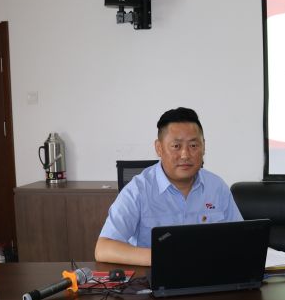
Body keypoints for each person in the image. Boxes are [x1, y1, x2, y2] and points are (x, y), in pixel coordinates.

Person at [95, 107, 243, 266]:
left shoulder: (217, 187)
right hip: (156, 275)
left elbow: (241, 238)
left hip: (208, 272)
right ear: (159, 148)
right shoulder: (138, 190)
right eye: (176, 146)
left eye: (193, 145)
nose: (185, 155)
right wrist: (166, 257)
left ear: (204, 147)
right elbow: (104, 248)